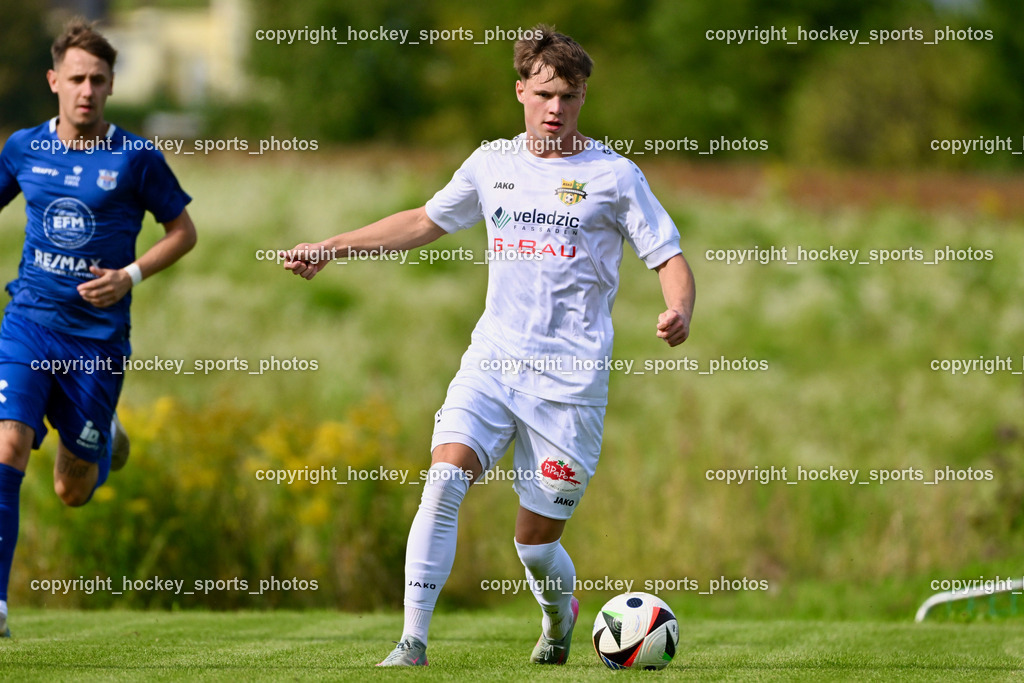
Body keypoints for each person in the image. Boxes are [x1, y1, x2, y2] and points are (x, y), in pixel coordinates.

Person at [282, 25, 694, 666]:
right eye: (548, 93)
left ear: (584, 97)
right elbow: (422, 221)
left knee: (532, 545)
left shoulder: (613, 176)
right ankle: (411, 642)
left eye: (573, 95)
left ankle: (559, 620)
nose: (558, 108)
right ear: (522, 90)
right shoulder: (491, 164)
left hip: (569, 384)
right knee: (444, 480)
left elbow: (667, 254)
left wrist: (679, 309)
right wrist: (331, 247)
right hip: (494, 362)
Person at [0, 19, 197, 637]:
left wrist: (130, 276)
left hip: (96, 341)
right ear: (54, 81)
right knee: (6, 446)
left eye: (99, 80)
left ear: (111, 87)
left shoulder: (137, 158)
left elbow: (183, 233)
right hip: (28, 323)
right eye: (77, 78)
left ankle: (103, 437)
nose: (86, 90)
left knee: (71, 491)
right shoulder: (23, 148)